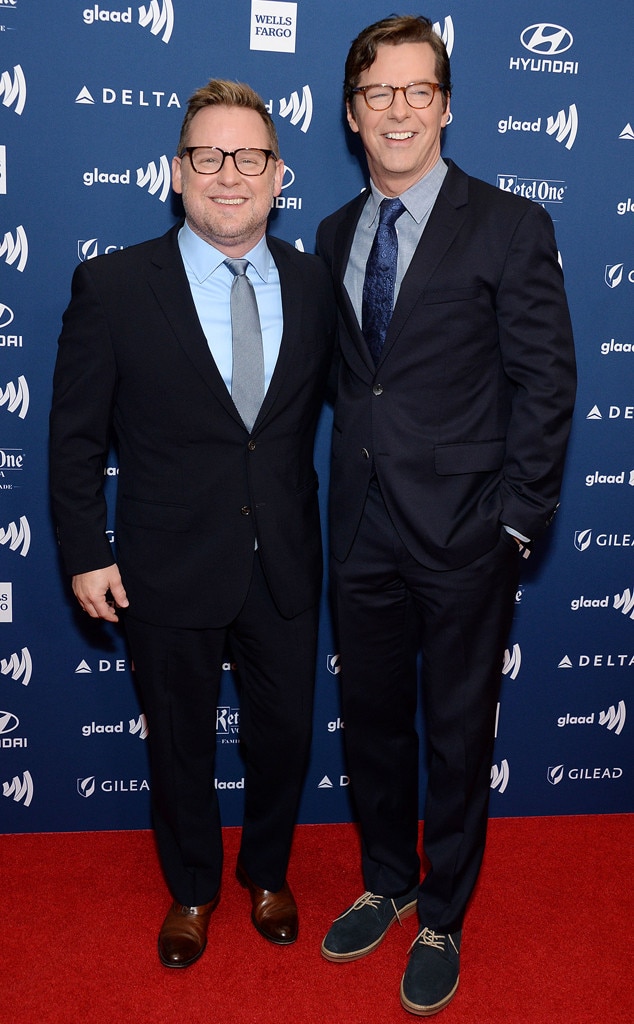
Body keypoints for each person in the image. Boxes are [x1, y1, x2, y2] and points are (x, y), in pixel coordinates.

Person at [317, 15, 576, 1016]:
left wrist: (516, 523)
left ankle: (440, 912)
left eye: (416, 90)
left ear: (447, 103)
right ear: (351, 112)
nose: (396, 110)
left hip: (468, 529)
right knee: (374, 723)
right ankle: (385, 877)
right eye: (376, 93)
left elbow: (546, 383)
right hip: (363, 526)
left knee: (457, 730)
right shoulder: (335, 233)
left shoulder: (510, 224)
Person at [50, 79, 336, 968]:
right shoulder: (113, 284)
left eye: (248, 158)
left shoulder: (315, 283)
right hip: (165, 559)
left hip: (285, 556)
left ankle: (268, 872)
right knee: (176, 741)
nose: (227, 176)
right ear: (177, 173)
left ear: (278, 175)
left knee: (286, 734)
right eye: (207, 157)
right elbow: (73, 437)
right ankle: (192, 890)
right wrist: (86, 550)